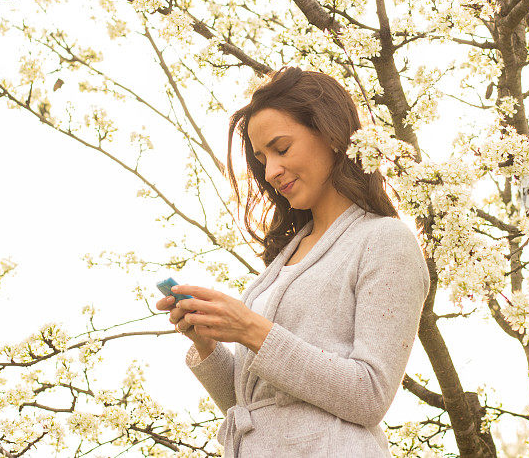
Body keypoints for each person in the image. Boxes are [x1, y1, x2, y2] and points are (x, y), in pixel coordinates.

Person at [155, 66, 430, 457]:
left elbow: (370, 395)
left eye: (281, 149)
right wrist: (207, 341)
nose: (270, 172)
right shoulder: (284, 259)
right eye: (262, 158)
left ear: (332, 135)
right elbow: (252, 406)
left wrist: (252, 329)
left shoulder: (384, 240)